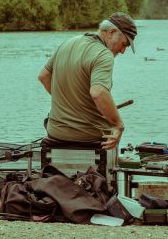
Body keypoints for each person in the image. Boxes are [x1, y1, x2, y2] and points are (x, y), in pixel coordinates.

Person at [38, 12, 137, 150]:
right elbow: (98, 92)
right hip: (89, 138)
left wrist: (71, 105)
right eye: (124, 44)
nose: (123, 51)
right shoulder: (104, 54)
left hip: (55, 133)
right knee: (114, 134)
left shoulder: (69, 43)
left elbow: (43, 76)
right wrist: (118, 125)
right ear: (111, 32)